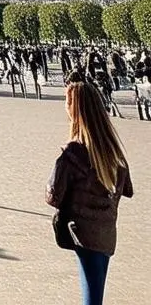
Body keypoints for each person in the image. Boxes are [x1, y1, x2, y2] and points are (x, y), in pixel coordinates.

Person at [47, 73, 134, 305]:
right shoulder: (112, 150)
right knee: (96, 292)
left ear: (76, 110)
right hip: (106, 231)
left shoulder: (73, 152)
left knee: (92, 298)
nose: (65, 108)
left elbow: (53, 196)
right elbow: (127, 189)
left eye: (67, 103)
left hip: (83, 233)